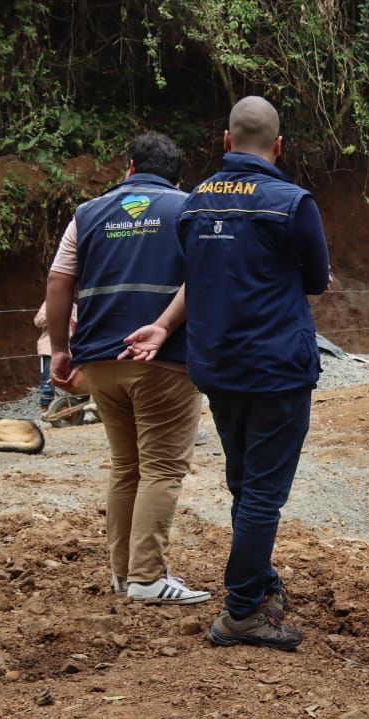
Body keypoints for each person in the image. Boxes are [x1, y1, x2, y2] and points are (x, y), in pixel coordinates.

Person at [148, 96, 330, 650]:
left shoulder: (194, 203)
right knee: (262, 495)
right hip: (276, 369)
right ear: (278, 147)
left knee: (243, 482)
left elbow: (197, 273)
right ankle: (242, 609)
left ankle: (259, 579)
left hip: (218, 366)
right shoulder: (292, 203)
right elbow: (317, 279)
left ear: (226, 142)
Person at [46, 132, 210, 605]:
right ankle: (147, 577)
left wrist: (61, 348)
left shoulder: (88, 214)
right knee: (161, 466)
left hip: (97, 359)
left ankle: (123, 573)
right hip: (163, 362)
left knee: (126, 467)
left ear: (130, 169)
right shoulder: (189, 208)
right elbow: (203, 275)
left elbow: (59, 280)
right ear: (177, 176)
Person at [33, 300, 75, 412]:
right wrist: (54, 312)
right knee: (48, 378)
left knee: (72, 376)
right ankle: (46, 404)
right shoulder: (49, 304)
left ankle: (74, 401)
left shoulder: (74, 307)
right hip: (49, 348)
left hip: (69, 349)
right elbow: (38, 322)